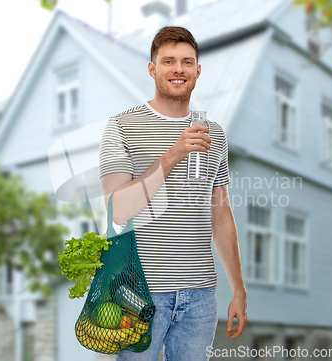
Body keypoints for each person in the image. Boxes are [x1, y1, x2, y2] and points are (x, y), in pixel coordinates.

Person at [98, 26, 247, 361]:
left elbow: (220, 216)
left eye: (187, 62)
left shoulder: (215, 134)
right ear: (152, 69)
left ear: (197, 70)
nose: (178, 69)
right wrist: (172, 155)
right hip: (138, 293)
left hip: (201, 297)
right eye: (168, 61)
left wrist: (238, 289)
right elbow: (116, 209)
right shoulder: (121, 126)